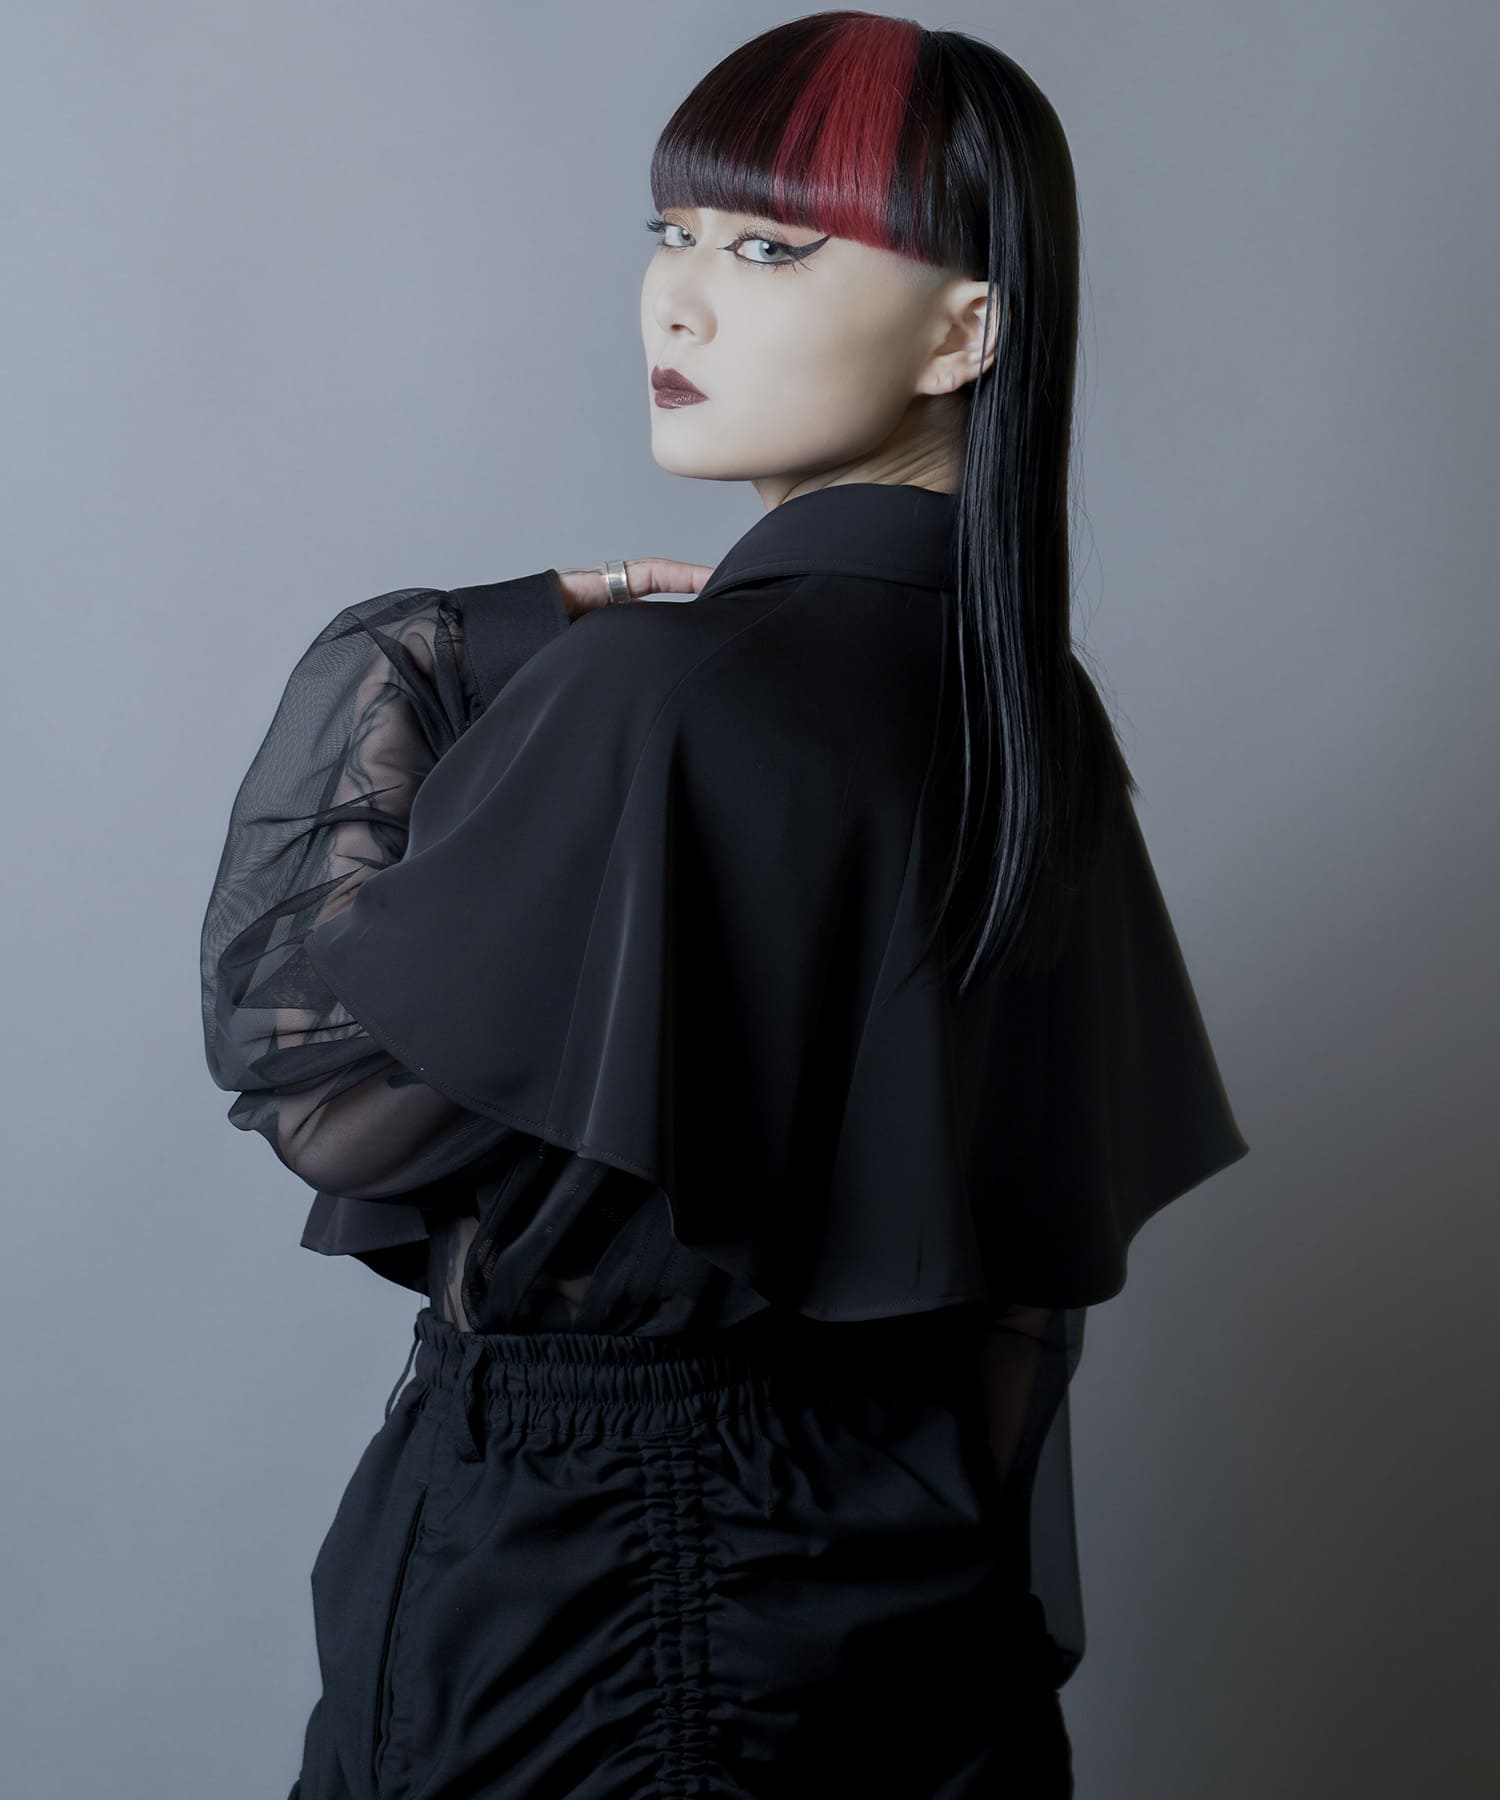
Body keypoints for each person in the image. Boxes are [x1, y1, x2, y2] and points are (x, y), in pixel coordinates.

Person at [199, 14, 1248, 1798]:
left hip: (598, 1609)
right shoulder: (1031, 709)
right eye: (670, 232)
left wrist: (417, 645)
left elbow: (320, 1084)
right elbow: (1016, 1305)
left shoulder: (658, 692)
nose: (677, 304)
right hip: (902, 1609)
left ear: (965, 332)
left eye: (770, 248)